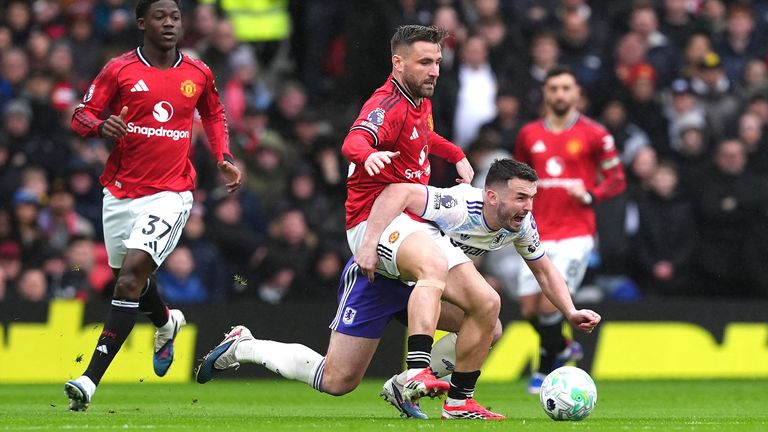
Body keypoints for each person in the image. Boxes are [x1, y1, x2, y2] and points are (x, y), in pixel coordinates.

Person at [64, 0, 242, 412]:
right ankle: (166, 321)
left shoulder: (198, 72)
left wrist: (223, 157)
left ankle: (88, 381)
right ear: (142, 23)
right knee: (129, 281)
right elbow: (80, 115)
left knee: (129, 280)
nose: (169, 23)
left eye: (175, 17)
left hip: (171, 193)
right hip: (120, 192)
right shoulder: (119, 69)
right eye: (160, 17)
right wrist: (100, 126)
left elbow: (213, 113)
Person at [358, 158, 601, 418]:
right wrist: (367, 244)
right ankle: (422, 375)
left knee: (490, 326)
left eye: (532, 198)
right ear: (492, 197)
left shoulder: (522, 226)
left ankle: (437, 395)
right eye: (520, 197)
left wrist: (570, 311)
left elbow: (545, 271)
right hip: (385, 278)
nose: (528, 207)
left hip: (423, 288)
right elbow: (399, 191)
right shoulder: (460, 204)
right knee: (337, 381)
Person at [513, 65, 625, 394]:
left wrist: (591, 194)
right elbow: (518, 177)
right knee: (529, 308)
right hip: (536, 230)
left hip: (576, 233)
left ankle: (546, 364)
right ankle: (561, 346)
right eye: (553, 89)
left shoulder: (595, 134)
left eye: (566, 88)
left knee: (551, 304)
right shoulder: (528, 134)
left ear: (577, 93)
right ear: (545, 94)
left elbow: (617, 179)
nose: (560, 94)